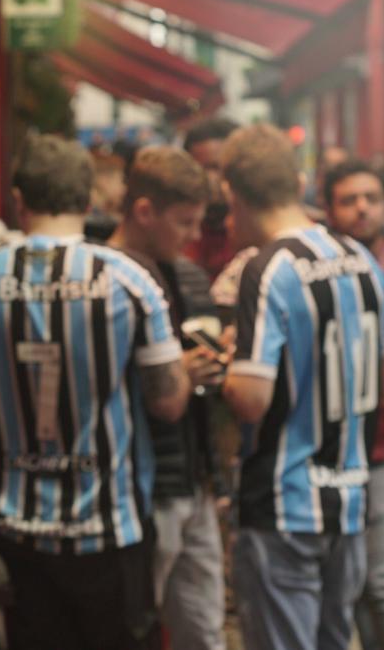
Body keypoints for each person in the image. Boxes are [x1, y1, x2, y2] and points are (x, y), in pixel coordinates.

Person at [0, 134, 190, 650]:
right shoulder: (128, 278)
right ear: (89, 200)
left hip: (16, 527)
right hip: (111, 523)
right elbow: (168, 402)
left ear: (18, 199)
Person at [220, 124, 384, 650]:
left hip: (284, 502)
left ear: (234, 194)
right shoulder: (362, 260)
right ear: (299, 183)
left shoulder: (268, 268)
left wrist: (228, 366)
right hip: (348, 497)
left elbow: (251, 399)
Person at [108, 146, 227, 650]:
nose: (194, 236)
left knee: (204, 629)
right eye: (184, 222)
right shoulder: (105, 281)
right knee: (132, 629)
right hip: (139, 489)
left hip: (195, 480)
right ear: (143, 211)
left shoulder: (191, 275)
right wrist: (178, 372)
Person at [323, 160, 384, 650]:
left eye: (370, 197)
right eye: (349, 199)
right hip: (327, 453)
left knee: (382, 581)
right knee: (341, 587)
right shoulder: (315, 272)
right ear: (329, 208)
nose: (362, 208)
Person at [182, 117, 239, 279]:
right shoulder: (177, 229)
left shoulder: (253, 229)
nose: (211, 179)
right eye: (201, 169)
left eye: (217, 167)